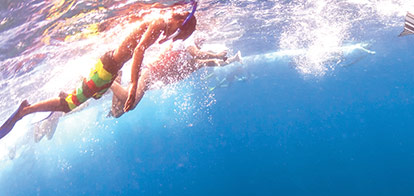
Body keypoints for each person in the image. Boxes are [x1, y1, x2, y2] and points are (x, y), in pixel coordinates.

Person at [0, 3, 197, 139]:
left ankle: (51, 103)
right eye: (178, 33)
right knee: (69, 104)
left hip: (110, 69)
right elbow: (138, 50)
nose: (172, 36)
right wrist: (134, 83)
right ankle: (25, 110)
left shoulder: (159, 22)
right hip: (106, 69)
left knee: (84, 100)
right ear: (180, 22)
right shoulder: (160, 22)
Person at [108, 42, 240, 117]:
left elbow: (210, 62)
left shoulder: (190, 64)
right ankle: (110, 81)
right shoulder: (186, 41)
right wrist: (217, 54)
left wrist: (231, 60)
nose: (201, 44)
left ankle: (115, 78)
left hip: (152, 79)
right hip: (149, 73)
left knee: (117, 112)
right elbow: (199, 54)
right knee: (130, 104)